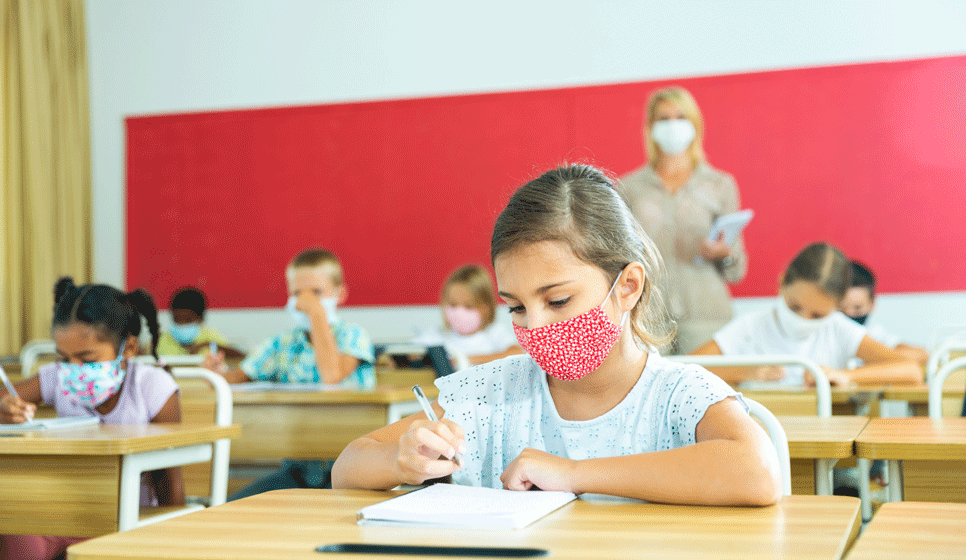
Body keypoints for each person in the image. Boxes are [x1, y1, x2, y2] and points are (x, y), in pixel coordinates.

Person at [332, 164, 781, 506]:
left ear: (627, 287)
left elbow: (758, 471)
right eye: (516, 307)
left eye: (558, 300)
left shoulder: (678, 395)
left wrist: (573, 474)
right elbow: (347, 466)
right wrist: (400, 459)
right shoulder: (491, 394)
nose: (535, 326)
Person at [0, 278, 182, 560]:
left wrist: (174, 540)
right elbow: (4, 398)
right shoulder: (56, 378)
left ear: (129, 348)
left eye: (88, 359)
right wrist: (5, 408)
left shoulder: (153, 388)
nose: (73, 370)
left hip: (130, 517)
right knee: (15, 525)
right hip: (64, 510)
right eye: (64, 358)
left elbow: (169, 476)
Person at [204, 247, 375, 500]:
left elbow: (332, 376)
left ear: (340, 294)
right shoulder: (281, 343)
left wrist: (317, 313)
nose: (305, 302)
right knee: (233, 506)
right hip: (297, 469)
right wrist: (214, 373)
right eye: (297, 294)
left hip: (350, 471)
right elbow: (237, 377)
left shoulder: (353, 335)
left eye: (316, 293)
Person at [620, 86, 748, 354]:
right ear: (650, 127)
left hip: (706, 315)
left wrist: (724, 254)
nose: (673, 125)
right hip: (649, 315)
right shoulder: (629, 188)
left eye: (680, 117)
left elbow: (737, 271)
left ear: (695, 125)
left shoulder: (720, 184)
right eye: (664, 118)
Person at [692, 243, 922, 387]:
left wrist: (845, 375)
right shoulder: (751, 327)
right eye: (794, 307)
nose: (802, 320)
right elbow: (687, 369)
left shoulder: (838, 329)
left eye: (818, 315)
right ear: (782, 283)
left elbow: (911, 370)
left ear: (837, 306)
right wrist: (744, 372)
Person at [411, 264, 522, 366]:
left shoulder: (494, 332)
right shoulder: (437, 335)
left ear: (486, 308)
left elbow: (516, 354)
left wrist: (464, 359)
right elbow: (408, 352)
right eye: (453, 304)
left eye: (468, 306)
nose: (458, 313)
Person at [840, 260, 928, 367]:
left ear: (872, 304)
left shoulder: (875, 334)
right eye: (841, 308)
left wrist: (879, 355)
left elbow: (922, 355)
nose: (849, 313)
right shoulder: (830, 334)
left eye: (857, 308)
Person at [156, 286, 242, 358]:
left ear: (201, 318)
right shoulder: (163, 339)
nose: (182, 324)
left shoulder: (211, 337)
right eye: (177, 319)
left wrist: (207, 344)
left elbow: (241, 357)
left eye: (188, 320)